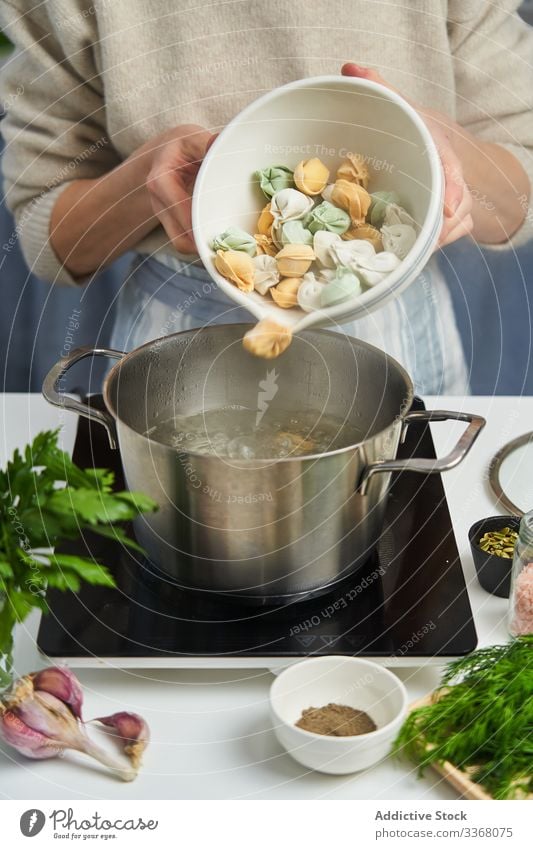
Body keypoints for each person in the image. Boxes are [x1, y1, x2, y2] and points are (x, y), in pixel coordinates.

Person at [0, 0, 532, 394]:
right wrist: (143, 180)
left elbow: (521, 186)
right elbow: (46, 237)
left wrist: (447, 159)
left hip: (400, 337)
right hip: (177, 341)